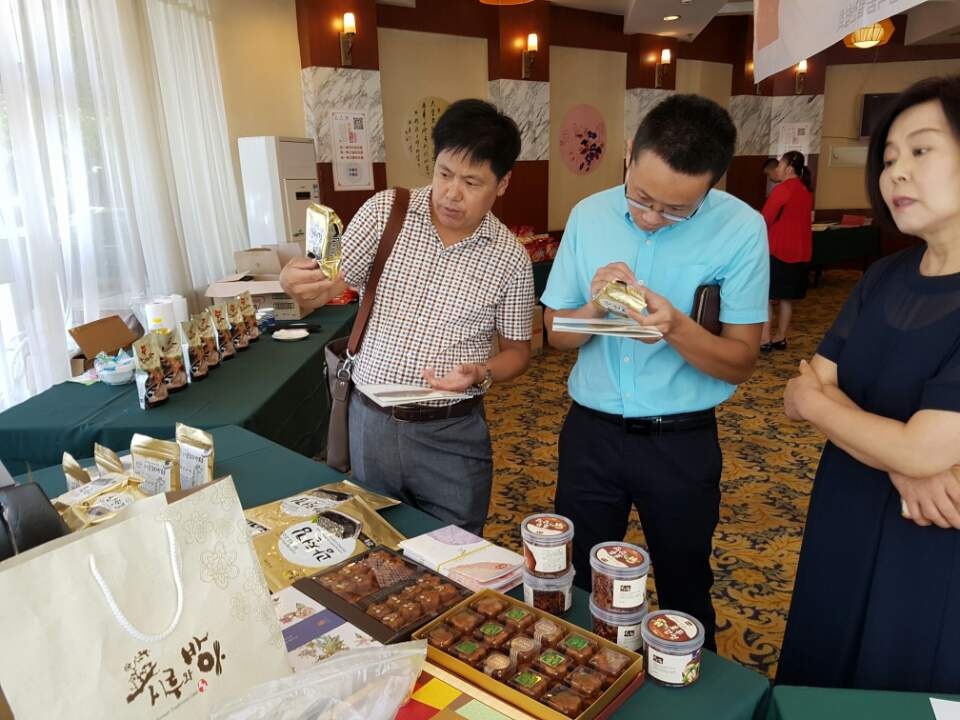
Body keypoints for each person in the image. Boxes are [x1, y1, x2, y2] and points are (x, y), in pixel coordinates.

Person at [541, 94, 769, 650]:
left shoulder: (742, 228)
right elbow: (556, 334)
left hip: (681, 443)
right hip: (591, 434)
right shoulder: (589, 214)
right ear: (629, 154)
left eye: (675, 210)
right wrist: (595, 308)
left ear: (711, 185)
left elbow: (741, 361)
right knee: (577, 578)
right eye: (641, 197)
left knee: (685, 582)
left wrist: (676, 327)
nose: (649, 217)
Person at [777, 75, 960, 693]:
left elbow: (919, 446)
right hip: (847, 507)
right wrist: (901, 458)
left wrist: (826, 406)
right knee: (823, 661)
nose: (896, 172)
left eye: (921, 150)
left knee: (898, 673)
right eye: (888, 158)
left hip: (931, 535)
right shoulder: (884, 275)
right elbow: (797, 393)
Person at [279, 99, 534, 536]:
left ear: (503, 183)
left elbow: (518, 352)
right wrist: (295, 283)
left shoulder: (510, 259)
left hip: (452, 432)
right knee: (374, 541)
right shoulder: (386, 212)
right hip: (370, 423)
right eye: (444, 173)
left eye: (471, 182)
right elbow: (326, 284)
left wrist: (482, 372)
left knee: (454, 550)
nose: (451, 193)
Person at [760, 151, 813, 351]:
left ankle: (765, 338)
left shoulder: (782, 189)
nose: (778, 169)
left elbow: (765, 219)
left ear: (789, 168)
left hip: (778, 250)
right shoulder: (806, 190)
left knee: (766, 297)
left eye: (780, 165)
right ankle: (780, 337)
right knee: (786, 299)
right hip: (800, 252)